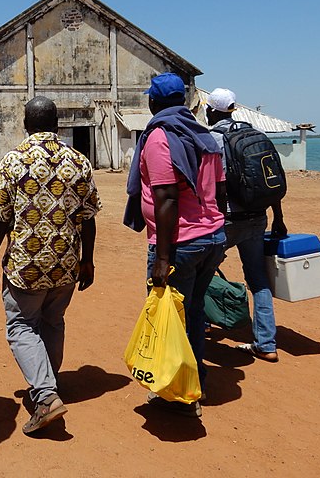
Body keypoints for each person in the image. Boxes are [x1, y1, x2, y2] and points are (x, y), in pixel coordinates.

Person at [0, 96, 101, 435]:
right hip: (66, 263)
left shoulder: (13, 161)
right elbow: (88, 218)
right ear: (57, 125)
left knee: (21, 325)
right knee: (53, 320)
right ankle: (49, 382)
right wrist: (87, 261)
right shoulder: (78, 161)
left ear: (25, 123)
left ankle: (46, 396)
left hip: (25, 265)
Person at [124, 73, 226, 418]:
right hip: (211, 239)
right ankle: (195, 376)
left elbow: (166, 196)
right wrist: (214, 227)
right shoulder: (205, 137)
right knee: (193, 311)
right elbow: (222, 192)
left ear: (153, 103)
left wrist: (162, 258)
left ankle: (179, 395)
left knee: (171, 318)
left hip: (180, 244)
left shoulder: (159, 137)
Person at [206, 87, 286, 363]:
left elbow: (209, 185)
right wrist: (279, 219)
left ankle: (200, 323)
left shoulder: (212, 139)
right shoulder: (256, 134)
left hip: (225, 220)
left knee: (201, 272)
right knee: (259, 280)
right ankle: (266, 343)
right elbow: (271, 179)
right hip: (258, 217)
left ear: (212, 110)